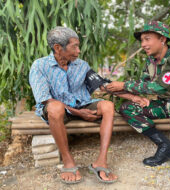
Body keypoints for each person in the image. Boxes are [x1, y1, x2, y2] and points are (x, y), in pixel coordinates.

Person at [29, 26, 148, 184]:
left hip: (82, 104)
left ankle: (101, 161)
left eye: (78, 46)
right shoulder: (40, 66)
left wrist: (133, 97)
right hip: (58, 111)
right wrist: (78, 113)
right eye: (74, 47)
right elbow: (45, 99)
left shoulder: (81, 65)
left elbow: (103, 85)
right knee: (55, 107)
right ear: (58, 48)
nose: (79, 51)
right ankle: (68, 161)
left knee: (108, 106)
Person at [106, 21, 170, 180]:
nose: (143, 44)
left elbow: (159, 87)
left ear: (162, 39)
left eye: (147, 39)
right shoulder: (150, 62)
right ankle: (165, 146)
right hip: (166, 104)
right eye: (142, 40)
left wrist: (123, 84)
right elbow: (144, 85)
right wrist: (138, 98)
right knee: (128, 108)